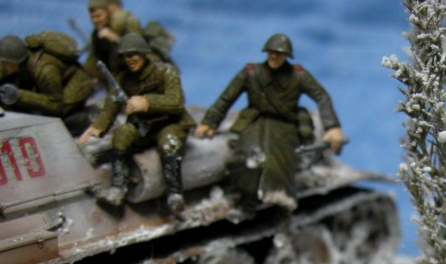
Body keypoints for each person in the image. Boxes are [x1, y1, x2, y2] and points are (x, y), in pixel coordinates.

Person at [194, 33, 346, 212]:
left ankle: (278, 199)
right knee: (247, 160)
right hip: (255, 121)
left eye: (279, 54)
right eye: (271, 52)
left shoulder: (298, 75)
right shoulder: (251, 72)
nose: (274, 57)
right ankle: (248, 198)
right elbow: (226, 98)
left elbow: (322, 96)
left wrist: (332, 127)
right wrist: (210, 122)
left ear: (286, 56)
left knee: (277, 164)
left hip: (285, 123)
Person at [78, 33, 194, 212]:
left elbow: (176, 101)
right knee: (122, 132)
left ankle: (174, 193)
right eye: (125, 56)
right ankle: (118, 189)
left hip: (169, 123)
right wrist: (97, 127)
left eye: (133, 55)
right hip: (142, 126)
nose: (129, 60)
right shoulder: (123, 79)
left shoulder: (165, 71)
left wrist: (146, 102)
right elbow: (111, 105)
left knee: (169, 142)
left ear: (144, 53)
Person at [0, 33, 95, 134]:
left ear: (15, 62)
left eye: (6, 63)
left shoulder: (45, 70)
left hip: (76, 87)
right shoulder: (22, 67)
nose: (3, 67)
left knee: (53, 121)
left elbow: (55, 104)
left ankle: (85, 118)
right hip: (55, 87)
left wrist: (19, 96)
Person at [83, 0, 142, 79]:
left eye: (99, 16)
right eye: (92, 17)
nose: (95, 21)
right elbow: (92, 59)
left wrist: (115, 39)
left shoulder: (123, 24)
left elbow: (138, 50)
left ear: (108, 13)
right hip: (114, 74)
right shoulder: (96, 33)